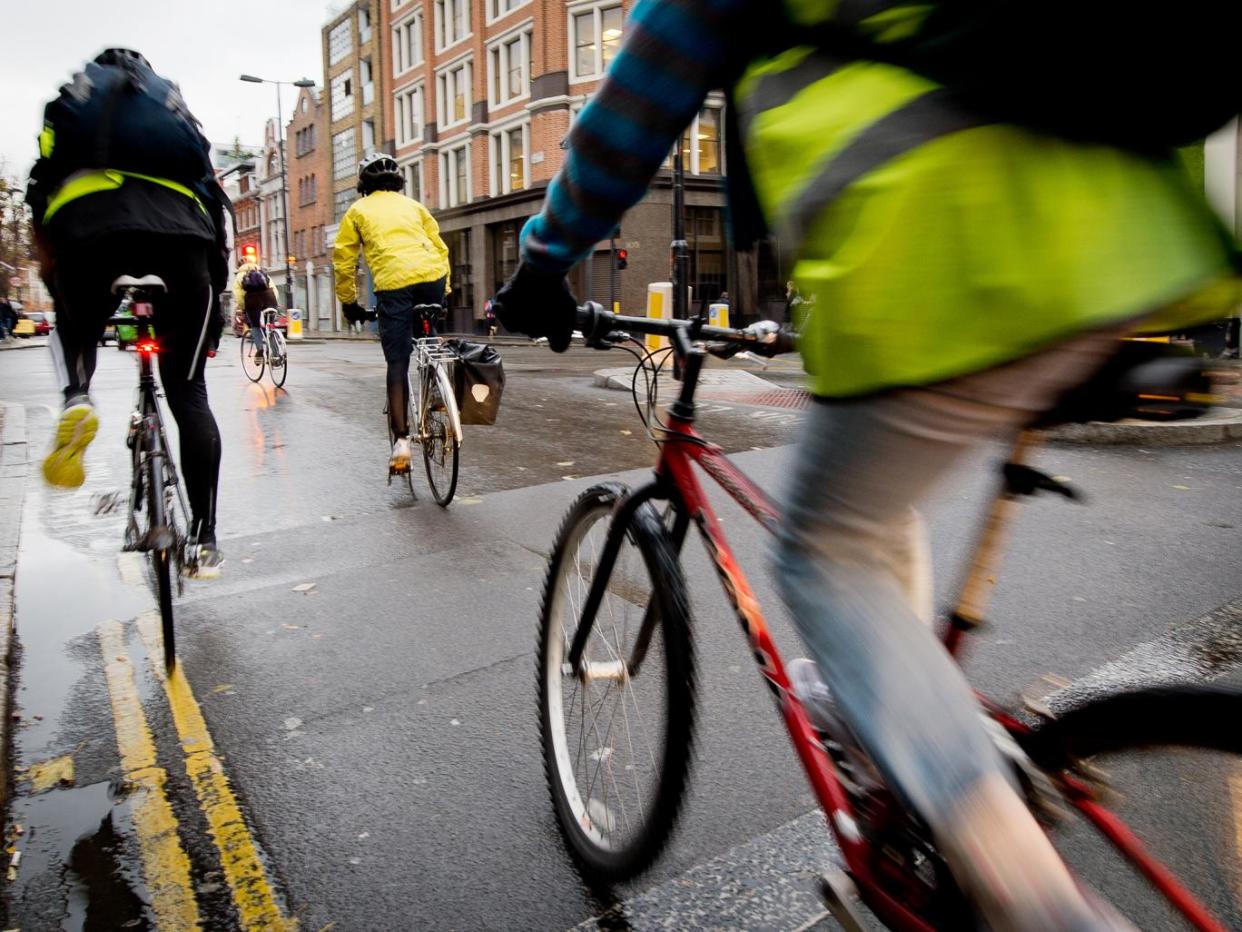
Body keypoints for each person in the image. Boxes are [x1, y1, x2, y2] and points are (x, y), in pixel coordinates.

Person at [493, 2, 1239, 927]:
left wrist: (540, 267)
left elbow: (634, 106)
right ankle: (912, 732)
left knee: (821, 552)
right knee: (876, 506)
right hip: (1122, 243)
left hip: (945, 243)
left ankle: (1022, 882)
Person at [26, 48, 231, 576]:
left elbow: (40, 186)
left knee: (73, 327)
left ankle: (77, 397)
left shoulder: (75, 105)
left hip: (89, 233)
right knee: (188, 391)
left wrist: (60, 282)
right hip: (183, 243)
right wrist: (217, 298)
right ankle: (206, 539)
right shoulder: (173, 114)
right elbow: (214, 201)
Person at [333, 152, 451, 472]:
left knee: (397, 362)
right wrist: (446, 290)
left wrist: (349, 302)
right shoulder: (415, 207)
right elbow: (440, 248)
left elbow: (344, 261)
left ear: (363, 186)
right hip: (433, 280)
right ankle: (438, 392)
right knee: (427, 337)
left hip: (394, 285)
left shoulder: (358, 210)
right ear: (398, 183)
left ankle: (401, 444)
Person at [233, 261, 279, 360]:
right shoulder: (261, 272)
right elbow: (274, 289)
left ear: (239, 266)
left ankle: (260, 350)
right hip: (270, 298)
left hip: (252, 302)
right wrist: (274, 303)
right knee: (270, 327)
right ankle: (275, 355)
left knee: (255, 325)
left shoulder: (239, 276)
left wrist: (243, 308)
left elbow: (239, 296)